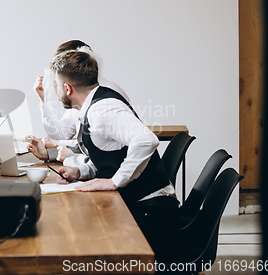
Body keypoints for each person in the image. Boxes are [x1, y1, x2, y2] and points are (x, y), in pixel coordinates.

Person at [30, 50, 179, 256]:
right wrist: (80, 171)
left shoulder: (102, 111)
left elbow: (147, 140)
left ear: (67, 88)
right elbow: (110, 153)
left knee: (79, 243)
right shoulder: (89, 107)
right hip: (138, 205)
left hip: (153, 212)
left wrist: (115, 181)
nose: (54, 92)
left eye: (55, 86)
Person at [33, 40, 129, 150]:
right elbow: (62, 136)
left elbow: (102, 147)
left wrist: (57, 144)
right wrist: (44, 101)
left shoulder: (104, 99)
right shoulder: (80, 94)